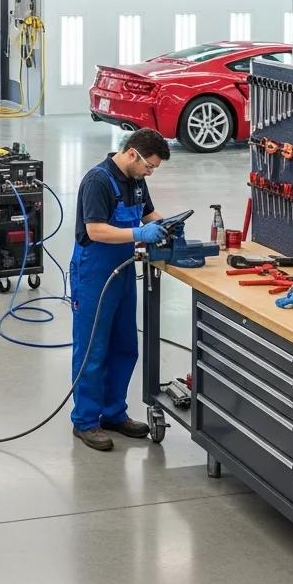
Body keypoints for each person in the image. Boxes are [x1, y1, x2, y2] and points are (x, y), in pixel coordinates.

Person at [70, 128, 170, 452]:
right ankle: (85, 421)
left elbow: (148, 214)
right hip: (94, 272)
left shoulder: (137, 181)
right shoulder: (98, 181)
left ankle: (114, 413)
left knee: (126, 346)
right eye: (148, 166)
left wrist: (167, 226)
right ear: (132, 154)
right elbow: (95, 229)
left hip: (124, 271)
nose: (149, 172)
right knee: (92, 349)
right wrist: (140, 232)